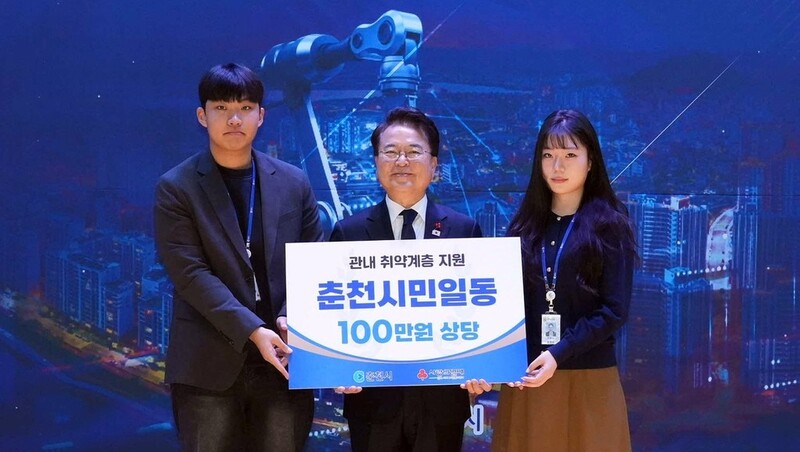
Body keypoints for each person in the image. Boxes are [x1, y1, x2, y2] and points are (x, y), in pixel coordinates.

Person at [154, 63, 323, 451]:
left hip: (285, 360)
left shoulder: (294, 181)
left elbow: (314, 261)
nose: (234, 119)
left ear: (261, 116)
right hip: (207, 366)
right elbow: (189, 273)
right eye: (222, 108)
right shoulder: (176, 187)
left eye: (245, 108)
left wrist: (289, 316)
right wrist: (253, 329)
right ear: (202, 116)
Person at [330, 106, 482, 452]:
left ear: (434, 164)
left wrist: (481, 364)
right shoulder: (348, 233)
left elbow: (477, 312)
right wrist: (335, 368)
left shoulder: (464, 230)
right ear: (376, 162)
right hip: (371, 401)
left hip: (442, 401)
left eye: (414, 152)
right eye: (391, 152)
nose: (402, 161)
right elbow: (334, 313)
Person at [491, 109, 636, 451]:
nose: (558, 166)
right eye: (548, 155)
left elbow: (614, 310)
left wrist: (558, 353)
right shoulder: (523, 226)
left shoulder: (610, 224)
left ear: (590, 161)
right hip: (528, 378)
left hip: (590, 380)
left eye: (570, 155)